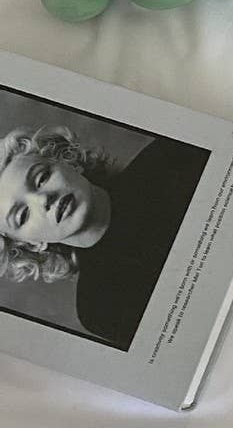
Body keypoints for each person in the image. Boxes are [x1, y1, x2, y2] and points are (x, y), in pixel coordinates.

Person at [0, 124, 209, 350]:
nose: (43, 200)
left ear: (67, 161)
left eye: (41, 178)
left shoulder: (170, 156)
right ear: (32, 244)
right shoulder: (101, 309)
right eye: (22, 215)